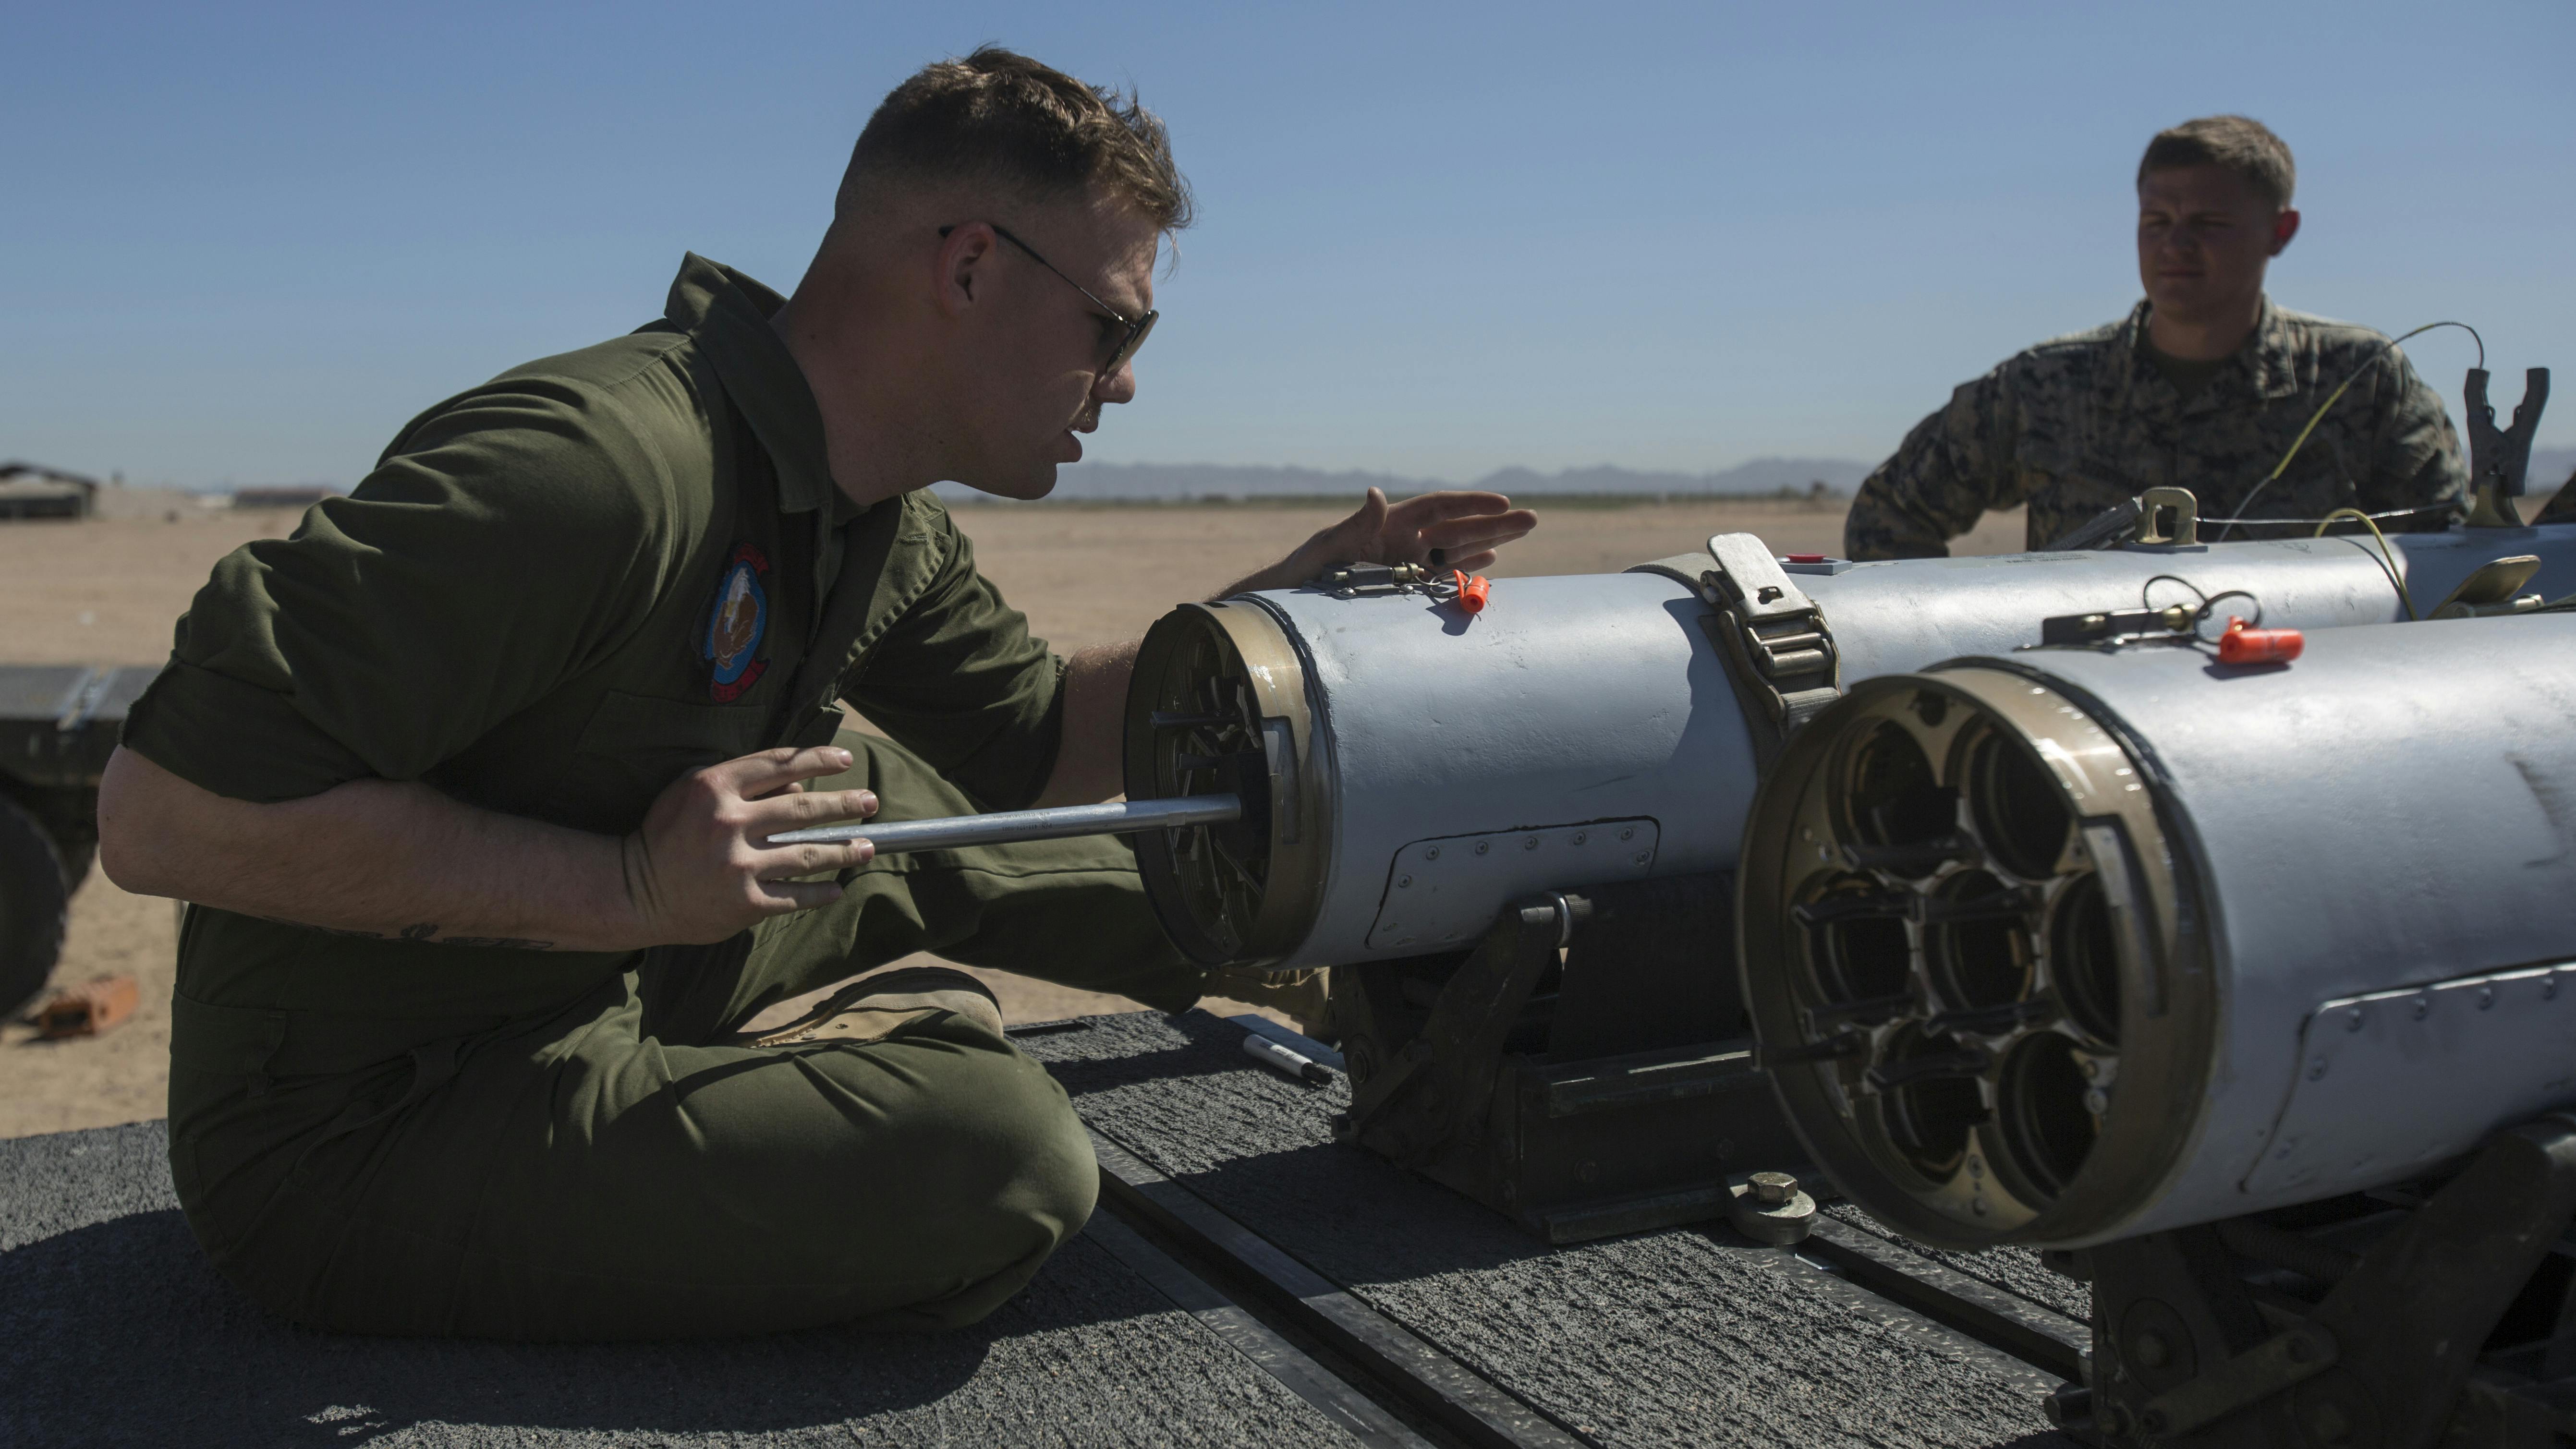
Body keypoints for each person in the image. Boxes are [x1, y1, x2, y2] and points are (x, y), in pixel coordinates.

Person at [94, 48, 1535, 1341]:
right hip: (364, 1129)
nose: (1123, 382)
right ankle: (890, 1036)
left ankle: (1331, 960)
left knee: (884, 800)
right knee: (1005, 1159)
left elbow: (1037, 746)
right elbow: (160, 819)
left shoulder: (868, 511)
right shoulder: (599, 472)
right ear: (968, 264)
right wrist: (625, 889)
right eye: (1114, 327)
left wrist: (1290, 596)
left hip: (615, 966)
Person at [1843, 115, 2467, 559]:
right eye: (2156, 221)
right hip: (2086, 730)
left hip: (2296, 717)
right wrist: (1961, 658)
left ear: (2281, 231)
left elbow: (2447, 555)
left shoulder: (2360, 383)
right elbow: (1888, 517)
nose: (2176, 246)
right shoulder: (2043, 388)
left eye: (2209, 223)